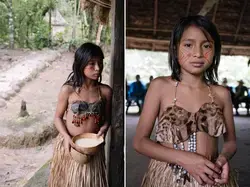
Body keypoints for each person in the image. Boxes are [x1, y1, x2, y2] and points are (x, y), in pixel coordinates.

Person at [133, 15, 238, 187]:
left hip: (210, 176)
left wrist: (222, 160)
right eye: (188, 45)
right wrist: (185, 159)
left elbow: (231, 142)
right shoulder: (160, 86)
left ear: (215, 50)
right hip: (169, 177)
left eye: (206, 46)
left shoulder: (221, 93)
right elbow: (140, 142)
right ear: (175, 49)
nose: (198, 53)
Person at [48, 43, 112, 187]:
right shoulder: (68, 90)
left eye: (100, 63)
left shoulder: (106, 91)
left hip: (92, 147)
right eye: (92, 64)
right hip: (71, 145)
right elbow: (58, 117)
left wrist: (104, 129)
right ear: (81, 64)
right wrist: (66, 137)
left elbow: (107, 120)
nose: (98, 68)